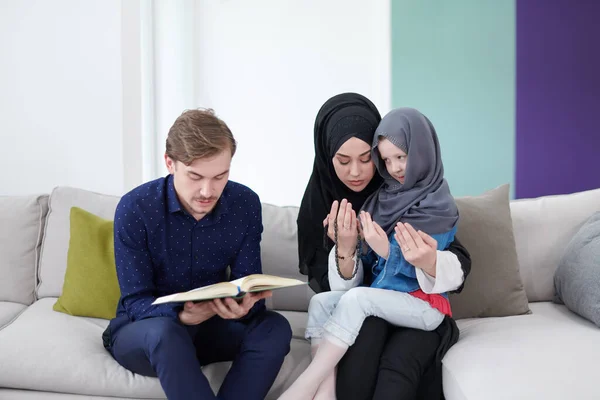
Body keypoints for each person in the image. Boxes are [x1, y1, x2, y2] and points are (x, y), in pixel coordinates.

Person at [101, 109, 292, 400]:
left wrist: (244, 306)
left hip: (212, 328)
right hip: (145, 333)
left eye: (220, 176)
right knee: (166, 333)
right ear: (169, 163)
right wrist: (183, 315)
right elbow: (135, 302)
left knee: (274, 327)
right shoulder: (135, 208)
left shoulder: (244, 204)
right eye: (195, 176)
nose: (207, 190)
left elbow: (247, 283)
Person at [295, 93, 471, 400]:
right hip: (366, 309)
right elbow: (337, 292)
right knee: (349, 325)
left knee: (398, 363)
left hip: (416, 306)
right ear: (326, 156)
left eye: (366, 159)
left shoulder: (421, 195)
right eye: (342, 160)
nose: (356, 172)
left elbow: (456, 260)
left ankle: (308, 385)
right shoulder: (334, 208)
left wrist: (418, 259)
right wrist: (347, 250)